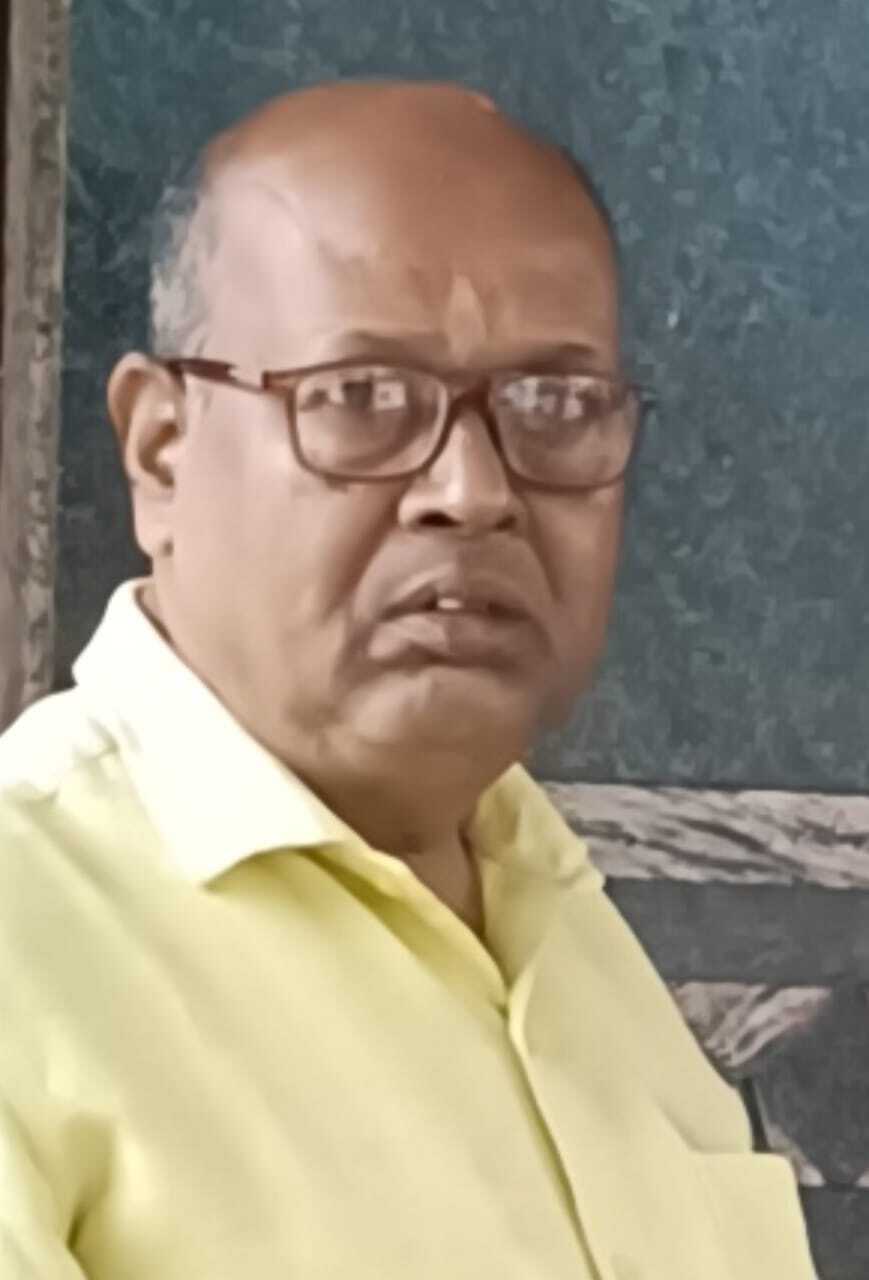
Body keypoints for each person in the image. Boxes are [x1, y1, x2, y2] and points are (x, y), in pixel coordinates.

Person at [0, 80, 816, 1279]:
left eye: (554, 406)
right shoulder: (31, 934)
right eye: (362, 399)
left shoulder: (569, 935)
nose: (472, 490)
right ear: (160, 453)